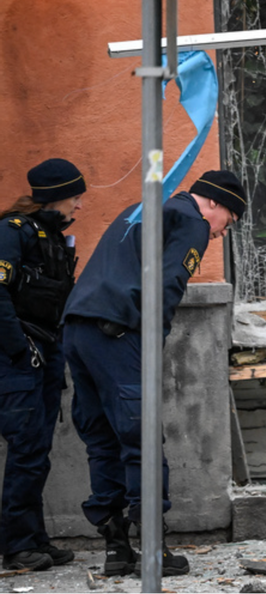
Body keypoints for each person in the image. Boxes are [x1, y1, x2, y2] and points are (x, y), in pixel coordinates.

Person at [61, 170, 246, 577]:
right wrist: (153, 344)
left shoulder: (141, 209)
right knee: (141, 437)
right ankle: (151, 549)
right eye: (228, 222)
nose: (220, 235)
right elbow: (168, 284)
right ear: (213, 202)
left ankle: (116, 548)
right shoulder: (192, 221)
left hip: (77, 329)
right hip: (118, 333)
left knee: (102, 439)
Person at [0, 159, 86, 572]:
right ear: (55, 198)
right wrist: (19, 348)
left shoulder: (49, 236)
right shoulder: (12, 232)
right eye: (75, 197)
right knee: (26, 450)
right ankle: (17, 546)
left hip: (45, 351)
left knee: (37, 450)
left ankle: (34, 538)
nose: (79, 207)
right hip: (20, 356)